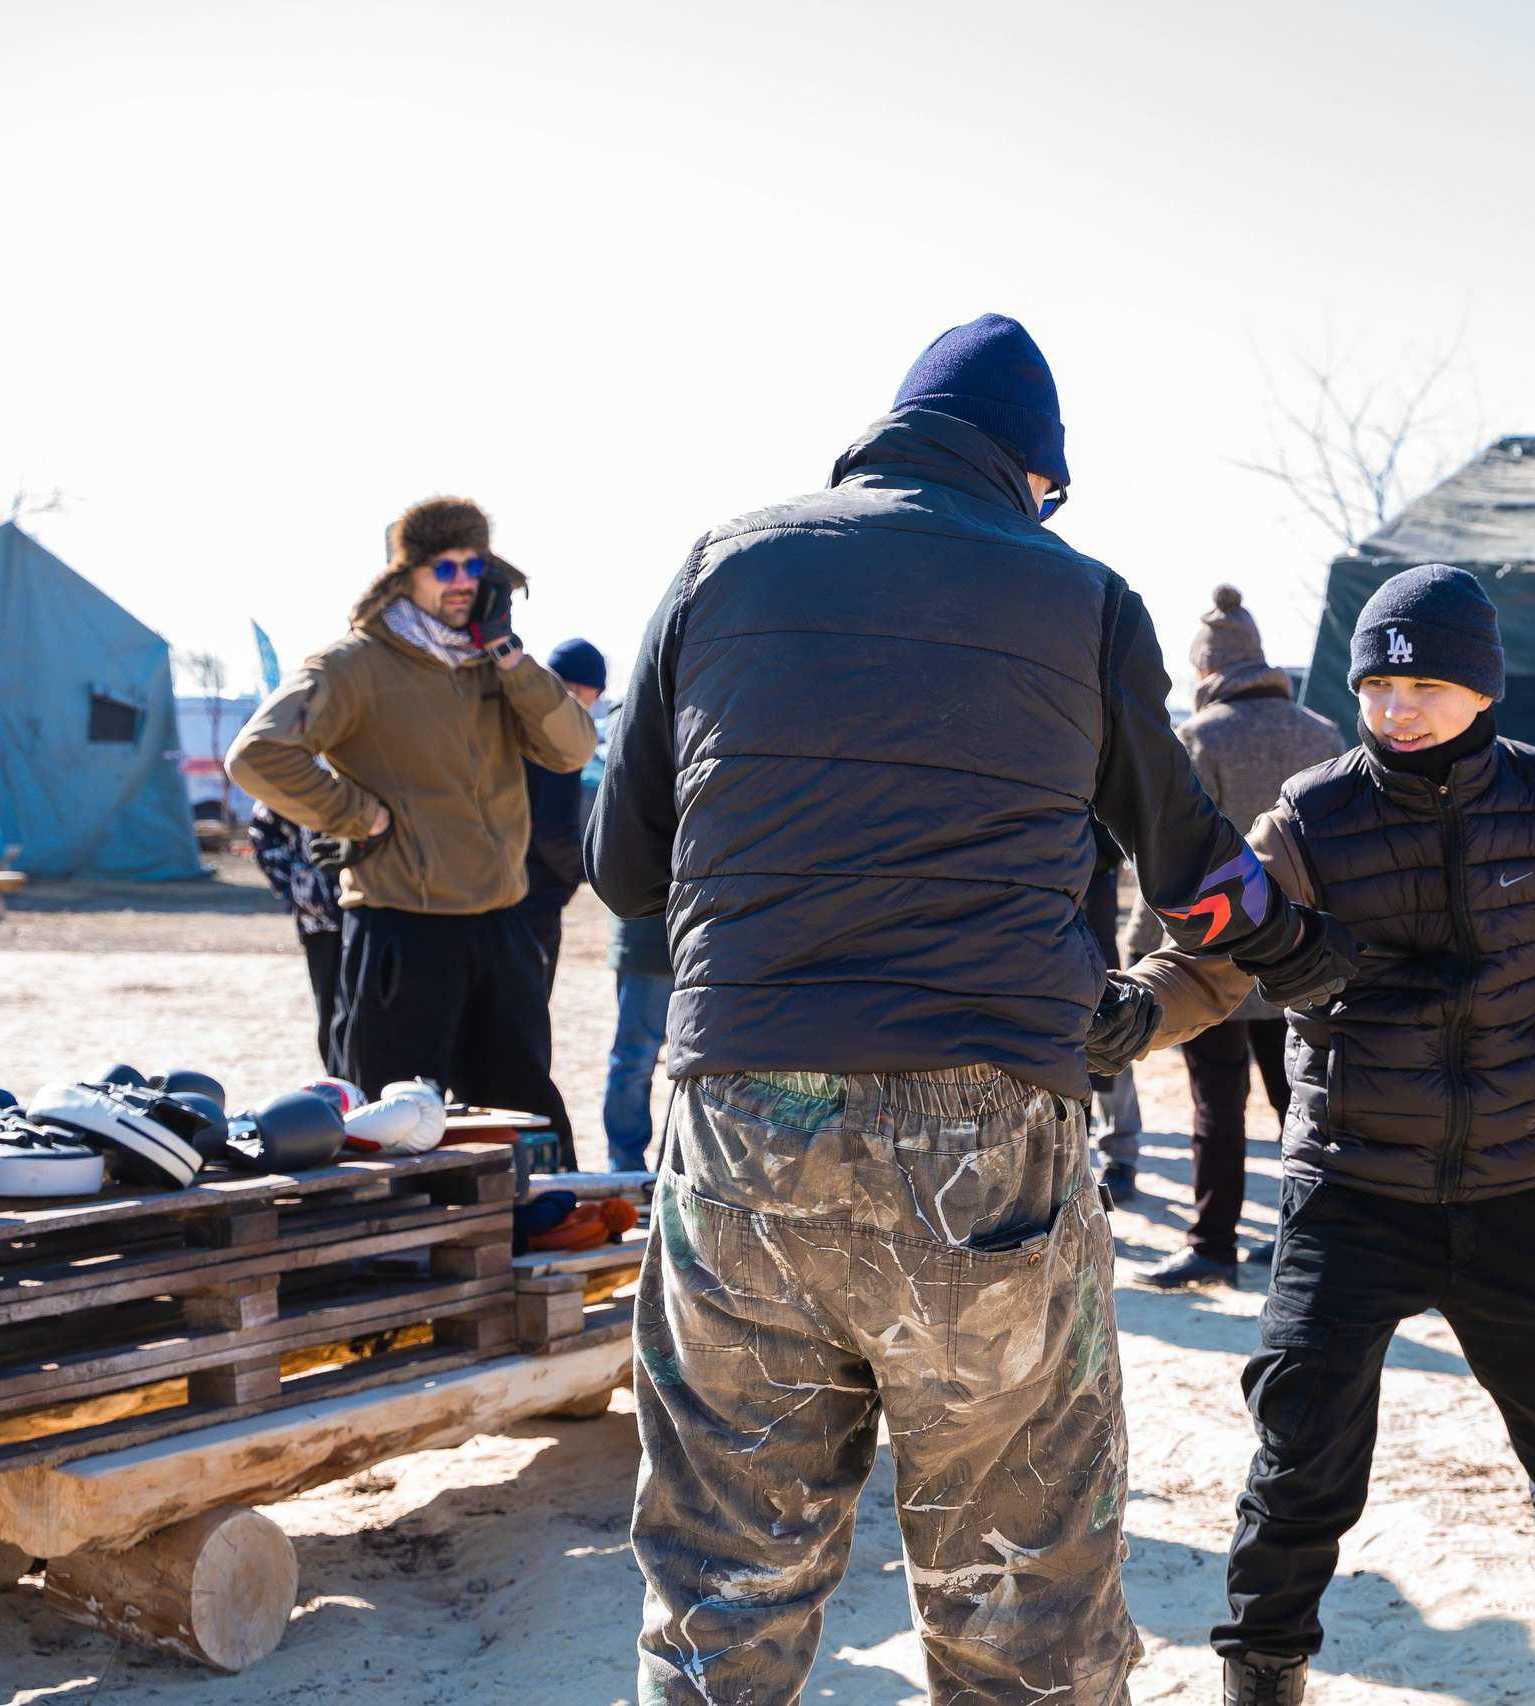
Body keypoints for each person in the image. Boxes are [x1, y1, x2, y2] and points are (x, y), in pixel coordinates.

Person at [586, 312, 1357, 1706]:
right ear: (1031, 475)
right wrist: (1298, 953)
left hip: (742, 1116)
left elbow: (620, 862)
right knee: (1023, 1591)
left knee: (718, 1590)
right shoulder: (1082, 596)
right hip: (985, 1125)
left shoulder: (723, 563)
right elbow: (1196, 871)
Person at [1118, 565, 1535, 1706]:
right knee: (1299, 1463)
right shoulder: (1306, 819)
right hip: (1348, 1192)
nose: (1397, 710)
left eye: (1425, 684)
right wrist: (1132, 1011)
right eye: (1379, 686)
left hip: (1508, 1193)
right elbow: (1208, 963)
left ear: (1481, 689)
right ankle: (1263, 1683)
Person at [227, 497, 599, 1163]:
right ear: (406, 577)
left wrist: (510, 655)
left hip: (501, 926)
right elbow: (256, 755)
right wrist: (355, 813)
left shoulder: (498, 661)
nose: (463, 581)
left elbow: (572, 748)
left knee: (528, 1121)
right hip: (403, 928)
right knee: (387, 1123)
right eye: (444, 567)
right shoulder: (354, 664)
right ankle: (387, 1259)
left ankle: (540, 1242)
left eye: (475, 565)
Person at [1126, 584, 1346, 1288]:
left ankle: (1213, 1244)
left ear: (1208, 669)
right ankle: (1307, 1237)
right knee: (1303, 1103)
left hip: (1218, 953)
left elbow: (1175, 860)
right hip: (1306, 951)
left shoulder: (1200, 737)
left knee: (1216, 1104)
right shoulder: (1322, 731)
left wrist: (1137, 952)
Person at [512, 637, 608, 985]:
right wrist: (585, 872)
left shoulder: (515, 718)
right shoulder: (562, 734)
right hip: (533, 900)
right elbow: (552, 830)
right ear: (583, 690)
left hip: (492, 887)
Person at [244, 801, 344, 1067]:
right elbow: (262, 831)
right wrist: (299, 884)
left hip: (380, 909)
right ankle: (340, 1088)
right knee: (331, 1013)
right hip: (320, 919)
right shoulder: (295, 770)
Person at [1086, 820, 1145, 1201]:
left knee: (1111, 1029)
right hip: (1030, 919)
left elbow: (1118, 839)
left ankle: (1120, 1155)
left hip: (1092, 914)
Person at [603, 911, 671, 1173]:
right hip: (648, 942)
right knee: (634, 1062)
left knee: (701, 1067)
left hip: (709, 943)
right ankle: (627, 1172)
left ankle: (681, 1170)